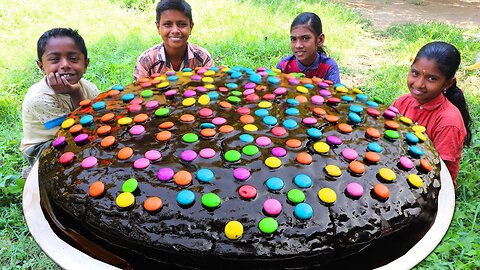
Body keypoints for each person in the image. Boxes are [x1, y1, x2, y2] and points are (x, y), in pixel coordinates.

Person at [392, 41, 472, 187]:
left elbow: (439, 173)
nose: (419, 84)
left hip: (431, 184)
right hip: (401, 166)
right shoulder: (402, 102)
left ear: (447, 84)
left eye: (432, 78)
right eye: (415, 73)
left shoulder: (448, 122)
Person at [20, 28, 99, 166]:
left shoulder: (89, 87)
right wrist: (75, 93)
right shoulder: (39, 98)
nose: (65, 65)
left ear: (85, 64)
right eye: (55, 59)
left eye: (73, 59)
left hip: (71, 133)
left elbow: (95, 119)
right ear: (41, 66)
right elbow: (74, 133)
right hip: (42, 146)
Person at [133, 0, 214, 80]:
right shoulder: (146, 61)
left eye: (182, 24)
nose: (175, 30)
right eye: (167, 24)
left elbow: (212, 88)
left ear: (191, 27)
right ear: (158, 27)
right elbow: (138, 91)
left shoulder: (203, 58)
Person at [276, 12, 340, 83]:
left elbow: (335, 93)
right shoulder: (284, 66)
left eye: (305, 38)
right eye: (294, 39)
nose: (298, 45)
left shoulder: (329, 67)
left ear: (320, 40)